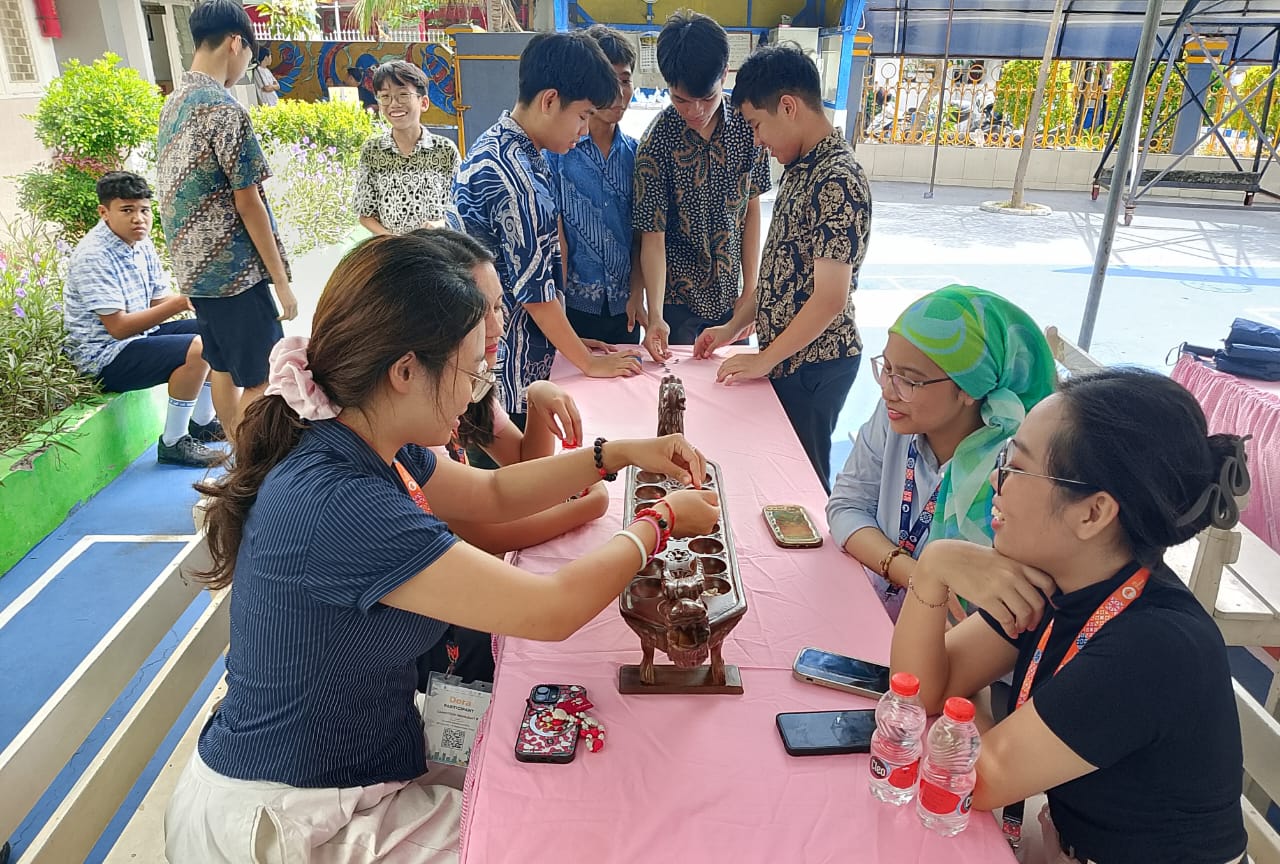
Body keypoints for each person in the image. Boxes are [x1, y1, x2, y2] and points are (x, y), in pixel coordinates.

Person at [163, 232, 720, 862]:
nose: (478, 386)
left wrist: (615, 453)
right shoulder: (342, 503)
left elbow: (495, 494)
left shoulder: (364, 432)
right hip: (295, 821)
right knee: (575, 828)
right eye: (470, 367)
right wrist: (660, 522)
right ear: (405, 371)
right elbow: (551, 610)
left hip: (349, 770)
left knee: (569, 787)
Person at [891, 367, 1249, 864]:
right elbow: (920, 688)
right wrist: (931, 570)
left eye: (1016, 468)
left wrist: (972, 707)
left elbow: (979, 777)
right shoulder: (1063, 576)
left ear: (1093, 513)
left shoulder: (1155, 646)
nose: (997, 480)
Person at [409, 228, 611, 687]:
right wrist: (601, 506)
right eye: (482, 313)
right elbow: (485, 532)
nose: (499, 325)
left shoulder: (467, 383)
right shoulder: (411, 437)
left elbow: (509, 484)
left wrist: (538, 401)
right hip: (434, 655)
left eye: (501, 306)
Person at [694, 44, 871, 491]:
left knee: (805, 483)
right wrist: (733, 328)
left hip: (817, 363)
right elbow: (778, 271)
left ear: (788, 107)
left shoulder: (837, 178)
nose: (758, 141)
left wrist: (765, 360)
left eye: (757, 125)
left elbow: (829, 298)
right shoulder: (800, 166)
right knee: (776, 471)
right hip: (790, 357)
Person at [827, 286, 1056, 619]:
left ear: (968, 389)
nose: (888, 390)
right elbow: (846, 505)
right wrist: (917, 575)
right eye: (886, 368)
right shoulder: (895, 417)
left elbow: (1002, 607)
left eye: (909, 379)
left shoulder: (1014, 469)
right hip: (875, 609)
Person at [454, 31, 642, 432]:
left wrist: (569, 345)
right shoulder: (517, 179)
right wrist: (587, 362)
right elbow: (536, 294)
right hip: (506, 375)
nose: (585, 128)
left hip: (503, 357)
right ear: (550, 100)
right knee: (517, 482)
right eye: (583, 115)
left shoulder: (504, 148)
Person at [156, 0, 297, 445]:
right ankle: (253, 475)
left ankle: (238, 461)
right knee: (261, 376)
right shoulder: (223, 109)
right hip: (235, 274)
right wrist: (282, 282)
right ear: (236, 42)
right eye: (248, 56)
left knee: (221, 365)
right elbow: (249, 201)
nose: (243, 68)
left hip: (195, 272)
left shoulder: (173, 102)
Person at [633, 11, 771, 358]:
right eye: (680, 100)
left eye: (707, 98)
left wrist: (750, 288)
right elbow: (653, 237)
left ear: (725, 75)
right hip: (677, 302)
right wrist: (657, 317)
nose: (695, 111)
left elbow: (751, 210)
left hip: (733, 297)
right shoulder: (656, 142)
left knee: (729, 391)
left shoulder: (749, 128)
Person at [63, 172, 222, 467]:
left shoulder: (140, 242)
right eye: (127, 210)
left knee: (216, 332)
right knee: (198, 349)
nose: (139, 219)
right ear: (104, 212)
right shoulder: (93, 256)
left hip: (141, 336)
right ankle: (174, 443)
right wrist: (179, 302)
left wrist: (202, 304)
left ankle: (203, 422)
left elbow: (156, 302)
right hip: (104, 357)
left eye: (144, 210)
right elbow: (118, 327)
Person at [544, 24, 644, 346]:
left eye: (625, 80)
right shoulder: (559, 154)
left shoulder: (638, 156)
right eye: (609, 81)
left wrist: (638, 293)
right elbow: (556, 240)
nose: (619, 93)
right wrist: (558, 310)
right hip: (572, 308)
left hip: (625, 309)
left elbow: (644, 236)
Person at [354, 61, 461, 236]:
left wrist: (440, 224)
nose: (394, 104)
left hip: (438, 254)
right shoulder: (373, 151)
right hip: (393, 255)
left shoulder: (445, 150)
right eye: (385, 96)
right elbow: (365, 214)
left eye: (403, 95)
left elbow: (461, 207)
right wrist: (393, 241)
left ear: (423, 102)